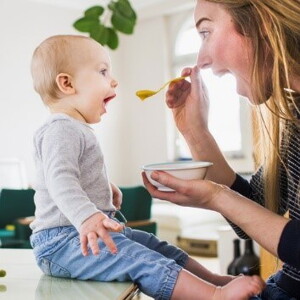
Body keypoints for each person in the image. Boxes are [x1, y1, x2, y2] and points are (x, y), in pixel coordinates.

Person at [29, 34, 264, 300]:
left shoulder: (75, 129)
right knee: (138, 258)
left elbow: (71, 175)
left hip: (80, 234)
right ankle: (212, 295)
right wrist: (88, 217)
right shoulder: (61, 129)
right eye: (103, 71)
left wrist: (102, 187)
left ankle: (214, 280)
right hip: (62, 243)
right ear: (67, 83)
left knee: (154, 246)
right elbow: (59, 180)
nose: (113, 80)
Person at [142, 0, 300, 299]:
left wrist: (217, 197)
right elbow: (260, 209)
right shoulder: (296, 117)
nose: (201, 59)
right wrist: (195, 131)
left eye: (206, 33)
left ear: (261, 23)